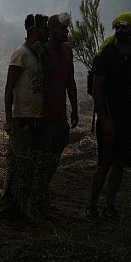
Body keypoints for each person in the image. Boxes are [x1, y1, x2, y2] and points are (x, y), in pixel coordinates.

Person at [87, 13, 131, 220]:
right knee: (104, 164)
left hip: (128, 116)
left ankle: (109, 206)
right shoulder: (107, 55)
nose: (121, 32)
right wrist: (104, 119)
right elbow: (96, 89)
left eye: (125, 28)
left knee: (120, 164)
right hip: (109, 116)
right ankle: (92, 207)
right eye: (118, 28)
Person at [0, 14, 51, 226]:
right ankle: (6, 213)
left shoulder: (36, 54)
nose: (45, 34)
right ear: (34, 31)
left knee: (26, 167)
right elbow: (9, 89)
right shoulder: (20, 54)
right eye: (43, 30)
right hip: (22, 120)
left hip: (34, 118)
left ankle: (19, 211)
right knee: (17, 167)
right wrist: (9, 120)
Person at [42, 13, 79, 181]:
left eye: (67, 28)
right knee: (43, 159)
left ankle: (42, 190)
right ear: (51, 30)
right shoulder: (42, 52)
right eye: (63, 28)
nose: (67, 32)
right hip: (44, 117)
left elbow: (70, 82)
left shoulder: (67, 51)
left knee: (54, 158)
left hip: (60, 116)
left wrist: (74, 109)